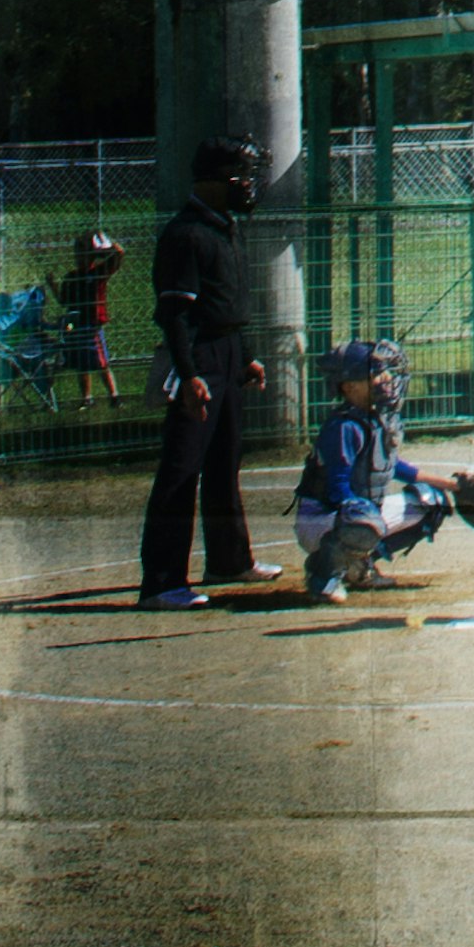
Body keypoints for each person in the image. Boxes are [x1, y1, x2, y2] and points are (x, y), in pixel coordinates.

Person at [138, 136, 268, 607]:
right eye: (241, 177)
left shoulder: (225, 228)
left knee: (223, 462)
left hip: (228, 354)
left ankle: (229, 560)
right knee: (182, 468)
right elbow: (175, 314)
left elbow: (227, 306)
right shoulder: (186, 235)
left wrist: (247, 355)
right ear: (212, 181)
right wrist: (189, 373)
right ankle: (162, 581)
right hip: (200, 358)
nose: (248, 186)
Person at [292, 341, 458, 595]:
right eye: (375, 374)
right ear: (349, 387)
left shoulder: (375, 418)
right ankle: (322, 573)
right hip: (319, 521)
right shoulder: (344, 426)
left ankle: (359, 566)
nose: (387, 379)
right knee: (364, 517)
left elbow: (394, 467)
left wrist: (452, 485)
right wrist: (363, 511)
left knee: (432, 502)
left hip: (348, 517)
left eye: (386, 372)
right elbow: (337, 489)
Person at [58, 229, 125, 405]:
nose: (79, 258)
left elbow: (119, 253)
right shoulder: (72, 277)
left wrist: (103, 243)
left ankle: (114, 396)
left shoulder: (97, 272)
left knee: (101, 362)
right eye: (77, 254)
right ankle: (87, 398)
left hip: (92, 325)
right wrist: (52, 285)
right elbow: (63, 301)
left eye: (84, 254)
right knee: (82, 364)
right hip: (76, 324)